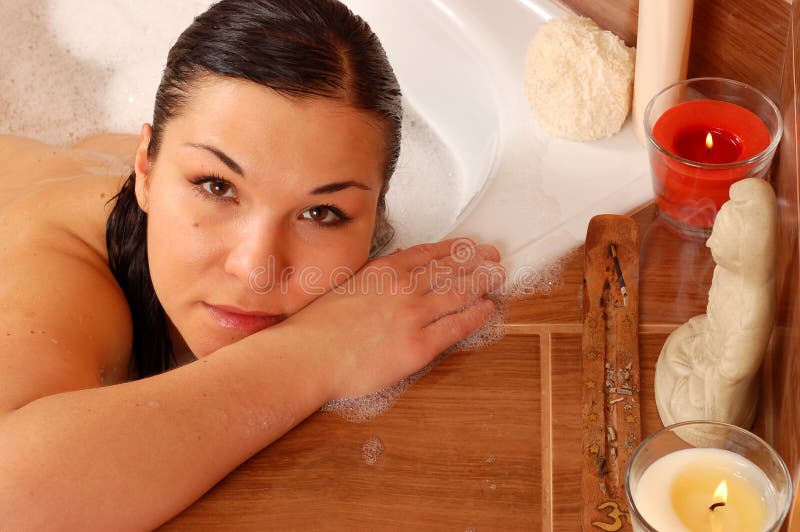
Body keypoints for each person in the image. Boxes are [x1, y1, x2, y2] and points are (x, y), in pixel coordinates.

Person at [0, 0, 503, 528]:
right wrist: (318, 353)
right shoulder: (59, 268)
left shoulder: (238, 150)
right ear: (146, 170)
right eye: (217, 187)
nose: (257, 269)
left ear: (376, 211)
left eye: (321, 212)